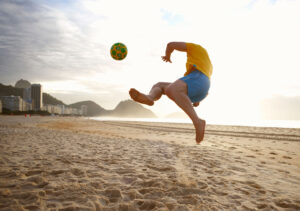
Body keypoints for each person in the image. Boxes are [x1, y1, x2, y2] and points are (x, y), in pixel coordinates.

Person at [129, 42, 213, 144]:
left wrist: (167, 56)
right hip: (200, 89)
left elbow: (171, 45)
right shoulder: (206, 65)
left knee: (172, 89)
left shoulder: (195, 48)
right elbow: (203, 87)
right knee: (159, 85)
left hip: (198, 80)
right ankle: (150, 98)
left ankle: (197, 121)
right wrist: (198, 99)